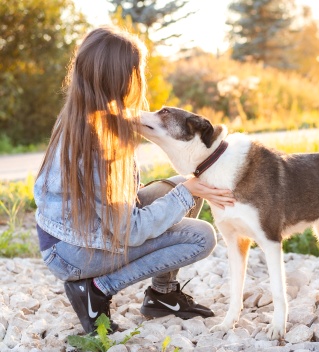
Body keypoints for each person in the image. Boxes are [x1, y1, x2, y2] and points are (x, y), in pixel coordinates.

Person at [34, 26, 236, 334]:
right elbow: (129, 230)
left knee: (183, 187)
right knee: (202, 236)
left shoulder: (84, 113)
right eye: (137, 72)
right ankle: (97, 289)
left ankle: (162, 296)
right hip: (70, 253)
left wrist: (184, 190)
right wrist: (183, 194)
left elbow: (118, 201)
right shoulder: (98, 140)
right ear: (123, 78)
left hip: (69, 235)